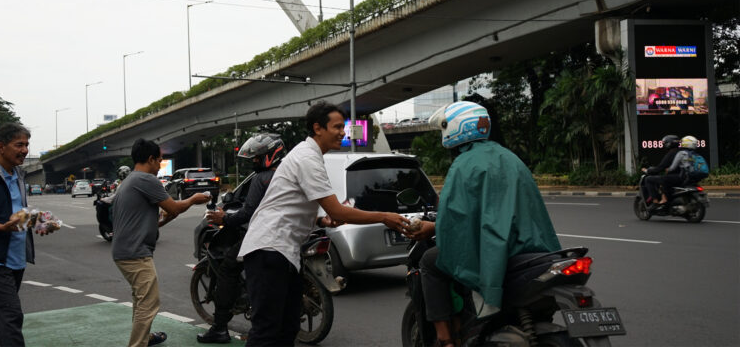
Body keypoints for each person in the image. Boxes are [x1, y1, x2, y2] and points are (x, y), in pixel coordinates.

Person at [237, 101, 410, 347]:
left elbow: (290, 205)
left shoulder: (310, 155)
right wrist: (385, 217)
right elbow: (337, 209)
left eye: (344, 126)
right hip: (269, 250)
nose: (343, 132)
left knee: (287, 327)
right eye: (337, 127)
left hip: (282, 252)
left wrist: (321, 219)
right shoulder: (307, 157)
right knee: (267, 330)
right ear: (318, 128)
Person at [405, 101, 561, 347]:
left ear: (454, 129)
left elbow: (456, 221)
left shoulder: (463, 165)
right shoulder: (510, 158)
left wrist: (430, 227)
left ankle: (445, 339)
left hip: (498, 249)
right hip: (531, 248)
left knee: (429, 262)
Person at [112, 138, 211, 347]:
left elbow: (157, 219)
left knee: (141, 299)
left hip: (125, 250)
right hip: (135, 253)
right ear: (150, 159)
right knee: (148, 302)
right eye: (159, 161)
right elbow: (174, 207)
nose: (159, 166)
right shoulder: (146, 180)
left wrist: (168, 216)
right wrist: (193, 200)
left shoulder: (130, 180)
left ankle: (146, 337)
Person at [196, 133, 287, 344]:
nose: (255, 161)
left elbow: (247, 214)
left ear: (270, 154)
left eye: (258, 157)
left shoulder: (261, 179)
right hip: (289, 237)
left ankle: (219, 328)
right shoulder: (288, 173)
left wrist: (224, 218)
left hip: (263, 237)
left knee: (228, 267)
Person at [0, 123, 51, 347]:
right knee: (11, 314)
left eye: (27, 144)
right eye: (19, 145)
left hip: (15, 258)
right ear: (1, 147)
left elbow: (18, 212)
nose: (25, 150)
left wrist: (39, 221)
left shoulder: (17, 174)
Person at [641, 135, 681, 205]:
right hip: (683, 177)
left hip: (674, 177)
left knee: (648, 179)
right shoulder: (682, 152)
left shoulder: (671, 154)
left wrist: (648, 170)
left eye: (665, 143)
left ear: (668, 144)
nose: (664, 145)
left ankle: (655, 201)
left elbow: (660, 168)